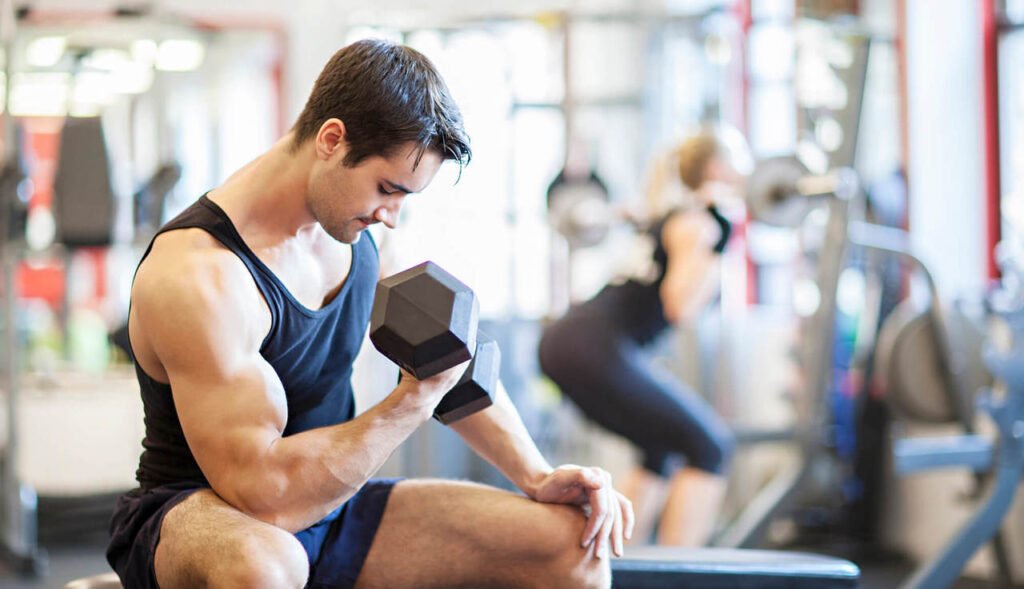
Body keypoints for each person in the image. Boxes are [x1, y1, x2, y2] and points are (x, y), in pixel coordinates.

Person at [106, 39, 633, 589]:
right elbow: (262, 492)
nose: (392, 216)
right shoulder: (201, 273)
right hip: (208, 515)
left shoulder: (355, 233)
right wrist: (412, 400)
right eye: (387, 189)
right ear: (332, 140)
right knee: (265, 566)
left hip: (331, 507)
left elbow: (451, 358)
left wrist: (538, 474)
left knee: (572, 545)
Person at [538, 127, 750, 547]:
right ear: (717, 168)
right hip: (591, 345)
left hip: (568, 343)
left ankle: (616, 561)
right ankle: (680, 579)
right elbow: (680, 305)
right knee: (710, 448)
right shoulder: (698, 224)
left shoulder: (671, 213)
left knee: (659, 448)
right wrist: (717, 245)